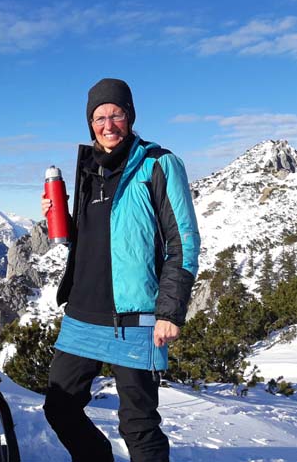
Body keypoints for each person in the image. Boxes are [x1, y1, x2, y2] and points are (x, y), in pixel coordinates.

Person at [42, 78, 200, 462]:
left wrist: (169, 312)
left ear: (129, 116)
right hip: (82, 312)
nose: (108, 124)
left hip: (136, 318)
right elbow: (96, 236)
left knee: (138, 424)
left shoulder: (158, 164)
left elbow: (183, 242)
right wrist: (58, 218)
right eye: (99, 117)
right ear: (89, 123)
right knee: (59, 407)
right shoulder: (88, 169)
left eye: (116, 114)